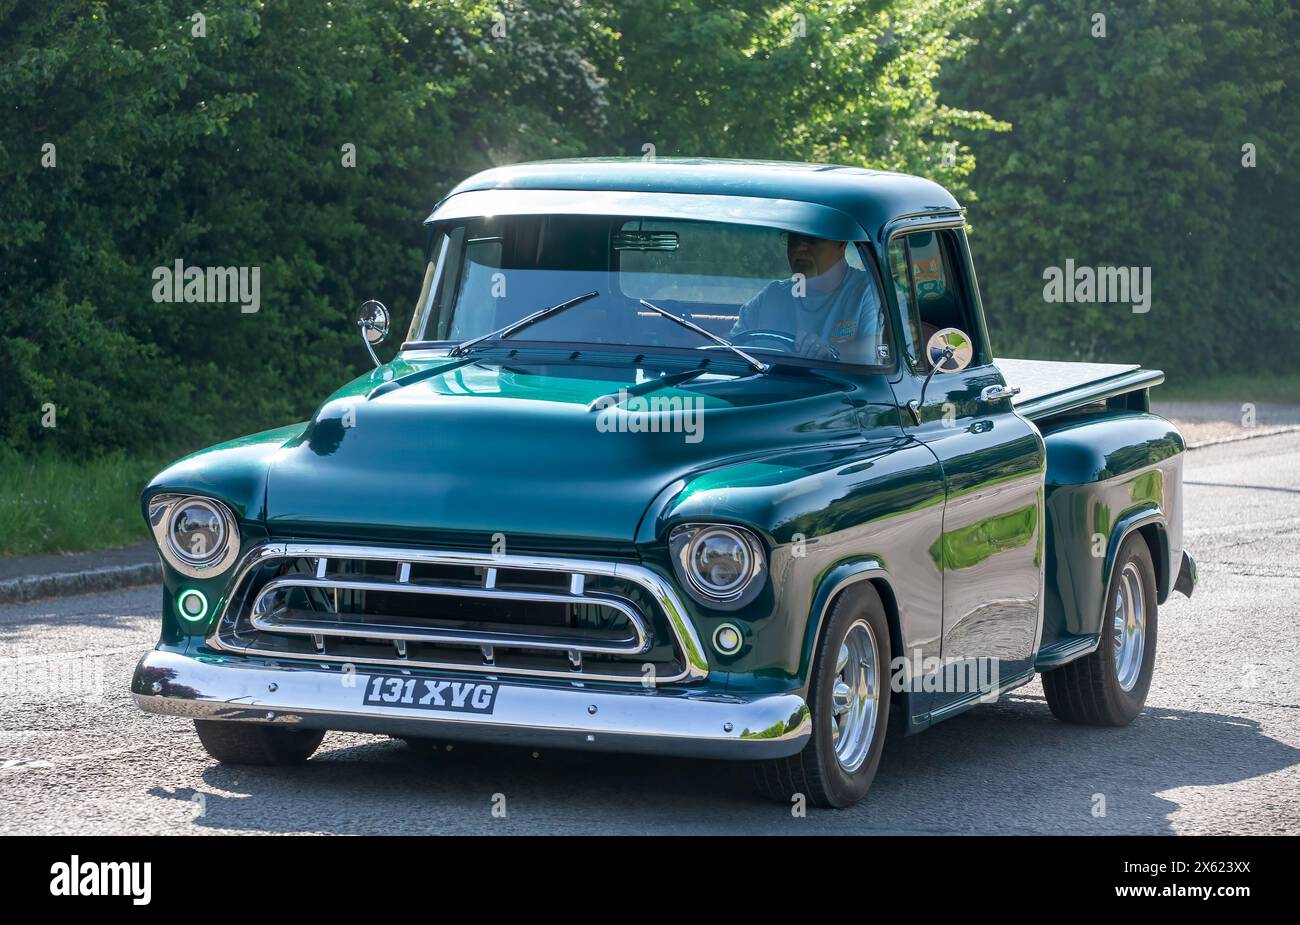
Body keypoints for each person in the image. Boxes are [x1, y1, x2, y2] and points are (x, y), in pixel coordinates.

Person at [731, 231, 884, 363]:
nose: (800, 248)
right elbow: (732, 347)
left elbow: (880, 350)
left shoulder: (870, 292)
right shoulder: (770, 297)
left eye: (812, 238)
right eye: (793, 240)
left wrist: (829, 353)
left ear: (841, 241)